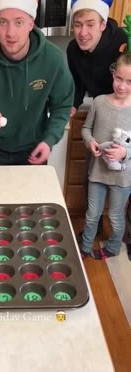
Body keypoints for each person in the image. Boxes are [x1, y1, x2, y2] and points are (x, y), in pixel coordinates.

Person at [0, 0, 74, 166]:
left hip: (35, 148)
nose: (11, 33)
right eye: (3, 22)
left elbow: (62, 106)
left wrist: (49, 140)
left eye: (19, 22)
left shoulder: (53, 59)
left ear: (31, 23)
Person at [66, 0, 131, 257]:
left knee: (121, 200)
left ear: (103, 25)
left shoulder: (121, 42)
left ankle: (120, 239)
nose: (83, 32)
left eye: (90, 25)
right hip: (100, 110)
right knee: (91, 180)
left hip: (124, 117)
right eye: (78, 25)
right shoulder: (73, 50)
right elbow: (77, 83)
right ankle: (88, 235)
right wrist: (72, 105)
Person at [80, 51, 131, 260]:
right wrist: (90, 141)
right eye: (119, 79)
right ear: (113, 74)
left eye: (129, 82)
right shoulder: (99, 102)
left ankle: (112, 247)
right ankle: (83, 249)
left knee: (116, 216)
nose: (122, 86)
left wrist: (125, 152)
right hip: (98, 173)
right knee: (92, 215)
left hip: (123, 177)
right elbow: (86, 128)